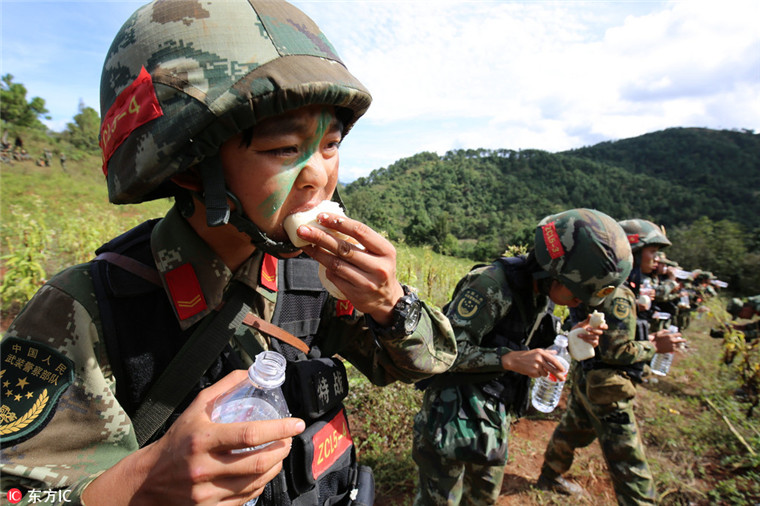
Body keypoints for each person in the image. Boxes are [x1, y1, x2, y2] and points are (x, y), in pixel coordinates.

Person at [0, 2, 457, 505]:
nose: (319, 176)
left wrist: (392, 305)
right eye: (283, 150)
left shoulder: (311, 273)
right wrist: (140, 486)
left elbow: (416, 368)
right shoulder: (87, 309)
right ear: (192, 169)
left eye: (329, 145)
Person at [412, 208, 634, 505]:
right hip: (450, 416)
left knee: (483, 497)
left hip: (491, 414)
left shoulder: (540, 293)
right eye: (577, 294)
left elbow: (527, 335)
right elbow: (438, 352)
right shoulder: (491, 286)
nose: (579, 302)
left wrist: (571, 338)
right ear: (553, 271)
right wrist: (508, 359)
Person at [536, 218, 686, 505]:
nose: (656, 259)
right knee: (629, 460)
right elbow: (616, 350)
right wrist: (654, 345)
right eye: (651, 251)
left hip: (588, 376)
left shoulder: (611, 285)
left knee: (572, 429)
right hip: (608, 385)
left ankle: (550, 475)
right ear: (634, 249)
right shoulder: (619, 293)